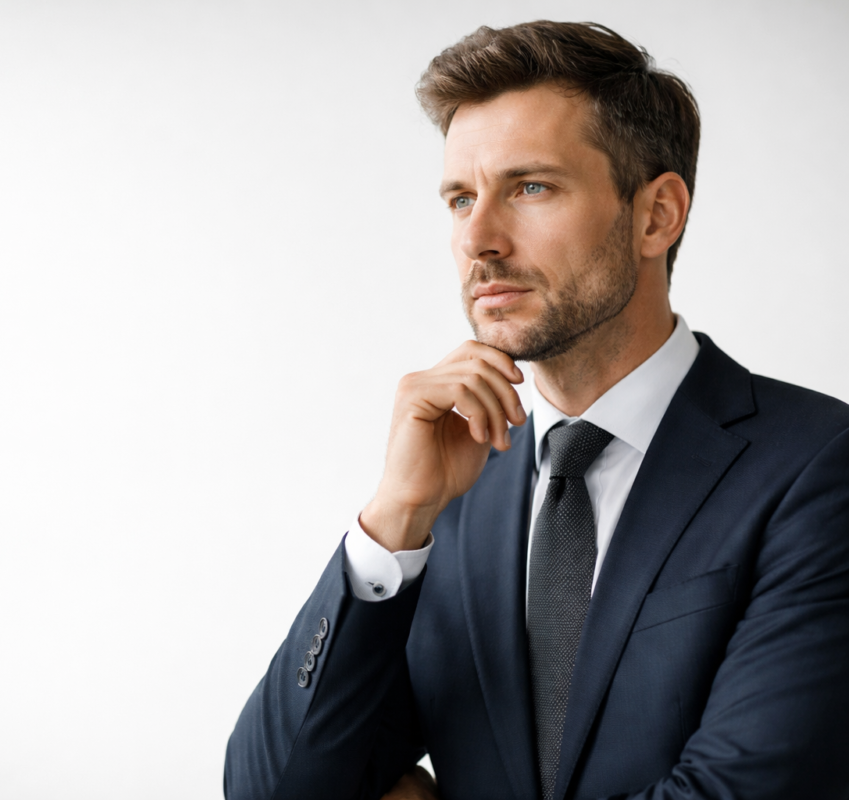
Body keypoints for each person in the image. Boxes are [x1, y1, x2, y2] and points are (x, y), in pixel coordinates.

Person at [223, 20, 849, 800]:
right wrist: (393, 522)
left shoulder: (819, 466)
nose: (478, 238)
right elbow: (274, 789)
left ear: (657, 215)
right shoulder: (450, 488)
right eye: (460, 198)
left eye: (531, 187)